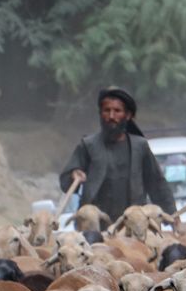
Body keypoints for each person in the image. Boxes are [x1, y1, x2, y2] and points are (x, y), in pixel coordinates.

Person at [58, 88, 176, 222]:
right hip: (95, 225)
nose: (111, 116)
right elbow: (66, 184)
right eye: (106, 111)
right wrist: (74, 174)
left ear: (128, 115)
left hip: (133, 224)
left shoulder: (140, 146)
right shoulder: (88, 145)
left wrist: (172, 216)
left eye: (117, 111)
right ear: (100, 113)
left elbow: (157, 184)